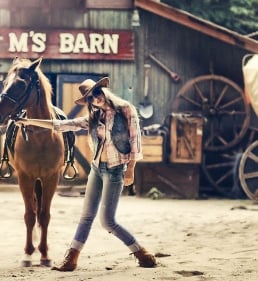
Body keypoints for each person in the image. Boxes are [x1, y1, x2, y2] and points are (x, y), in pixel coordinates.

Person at [15, 77, 157, 271]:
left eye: (96, 93)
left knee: (107, 221)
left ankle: (141, 252)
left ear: (104, 91)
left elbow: (135, 141)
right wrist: (29, 120)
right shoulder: (94, 116)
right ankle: (71, 259)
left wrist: (130, 169)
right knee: (86, 216)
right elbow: (64, 125)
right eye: (90, 98)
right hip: (97, 169)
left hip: (115, 171)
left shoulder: (125, 109)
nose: (95, 99)